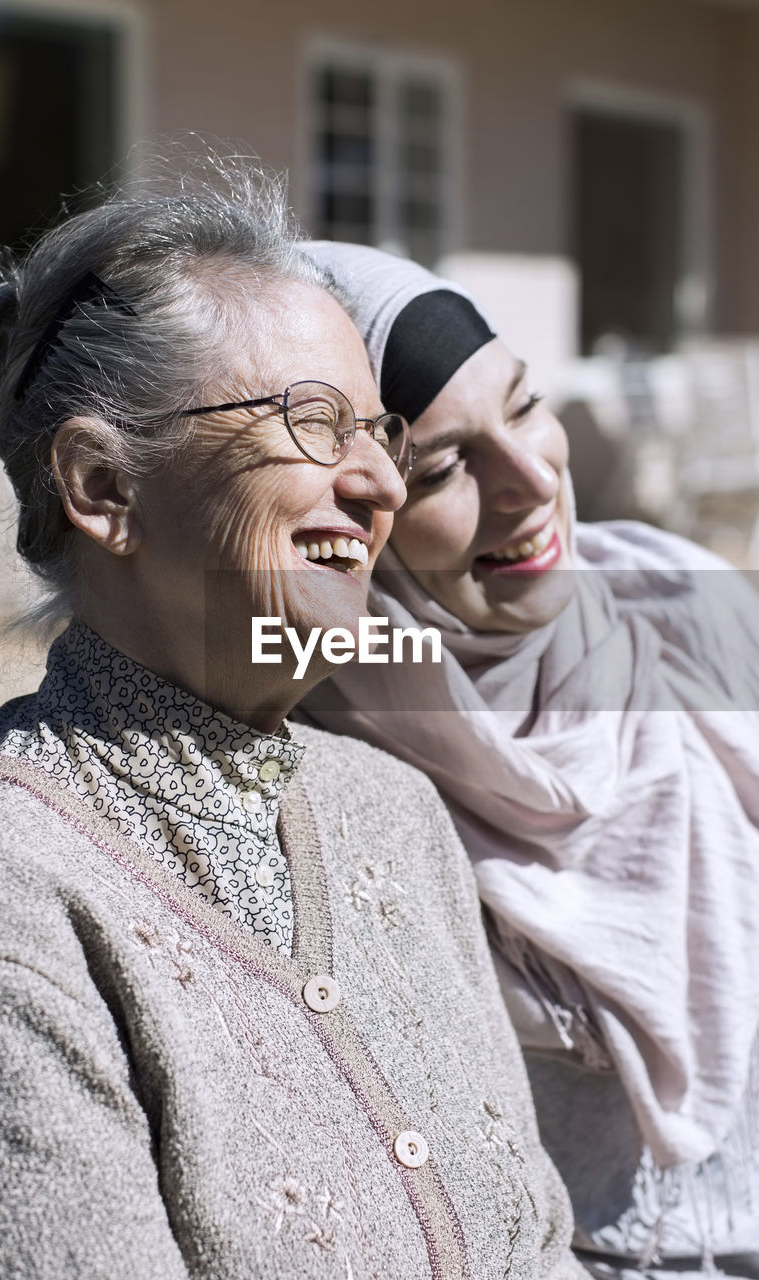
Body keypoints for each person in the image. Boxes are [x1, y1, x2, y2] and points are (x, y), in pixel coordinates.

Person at [0, 163, 585, 1279]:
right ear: (103, 488)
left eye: (381, 433)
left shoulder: (388, 806)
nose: (378, 483)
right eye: (313, 423)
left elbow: (541, 1244)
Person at [298, 241, 759, 1280]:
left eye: (525, 405)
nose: (529, 477)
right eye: (443, 467)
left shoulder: (681, 597)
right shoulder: (327, 751)